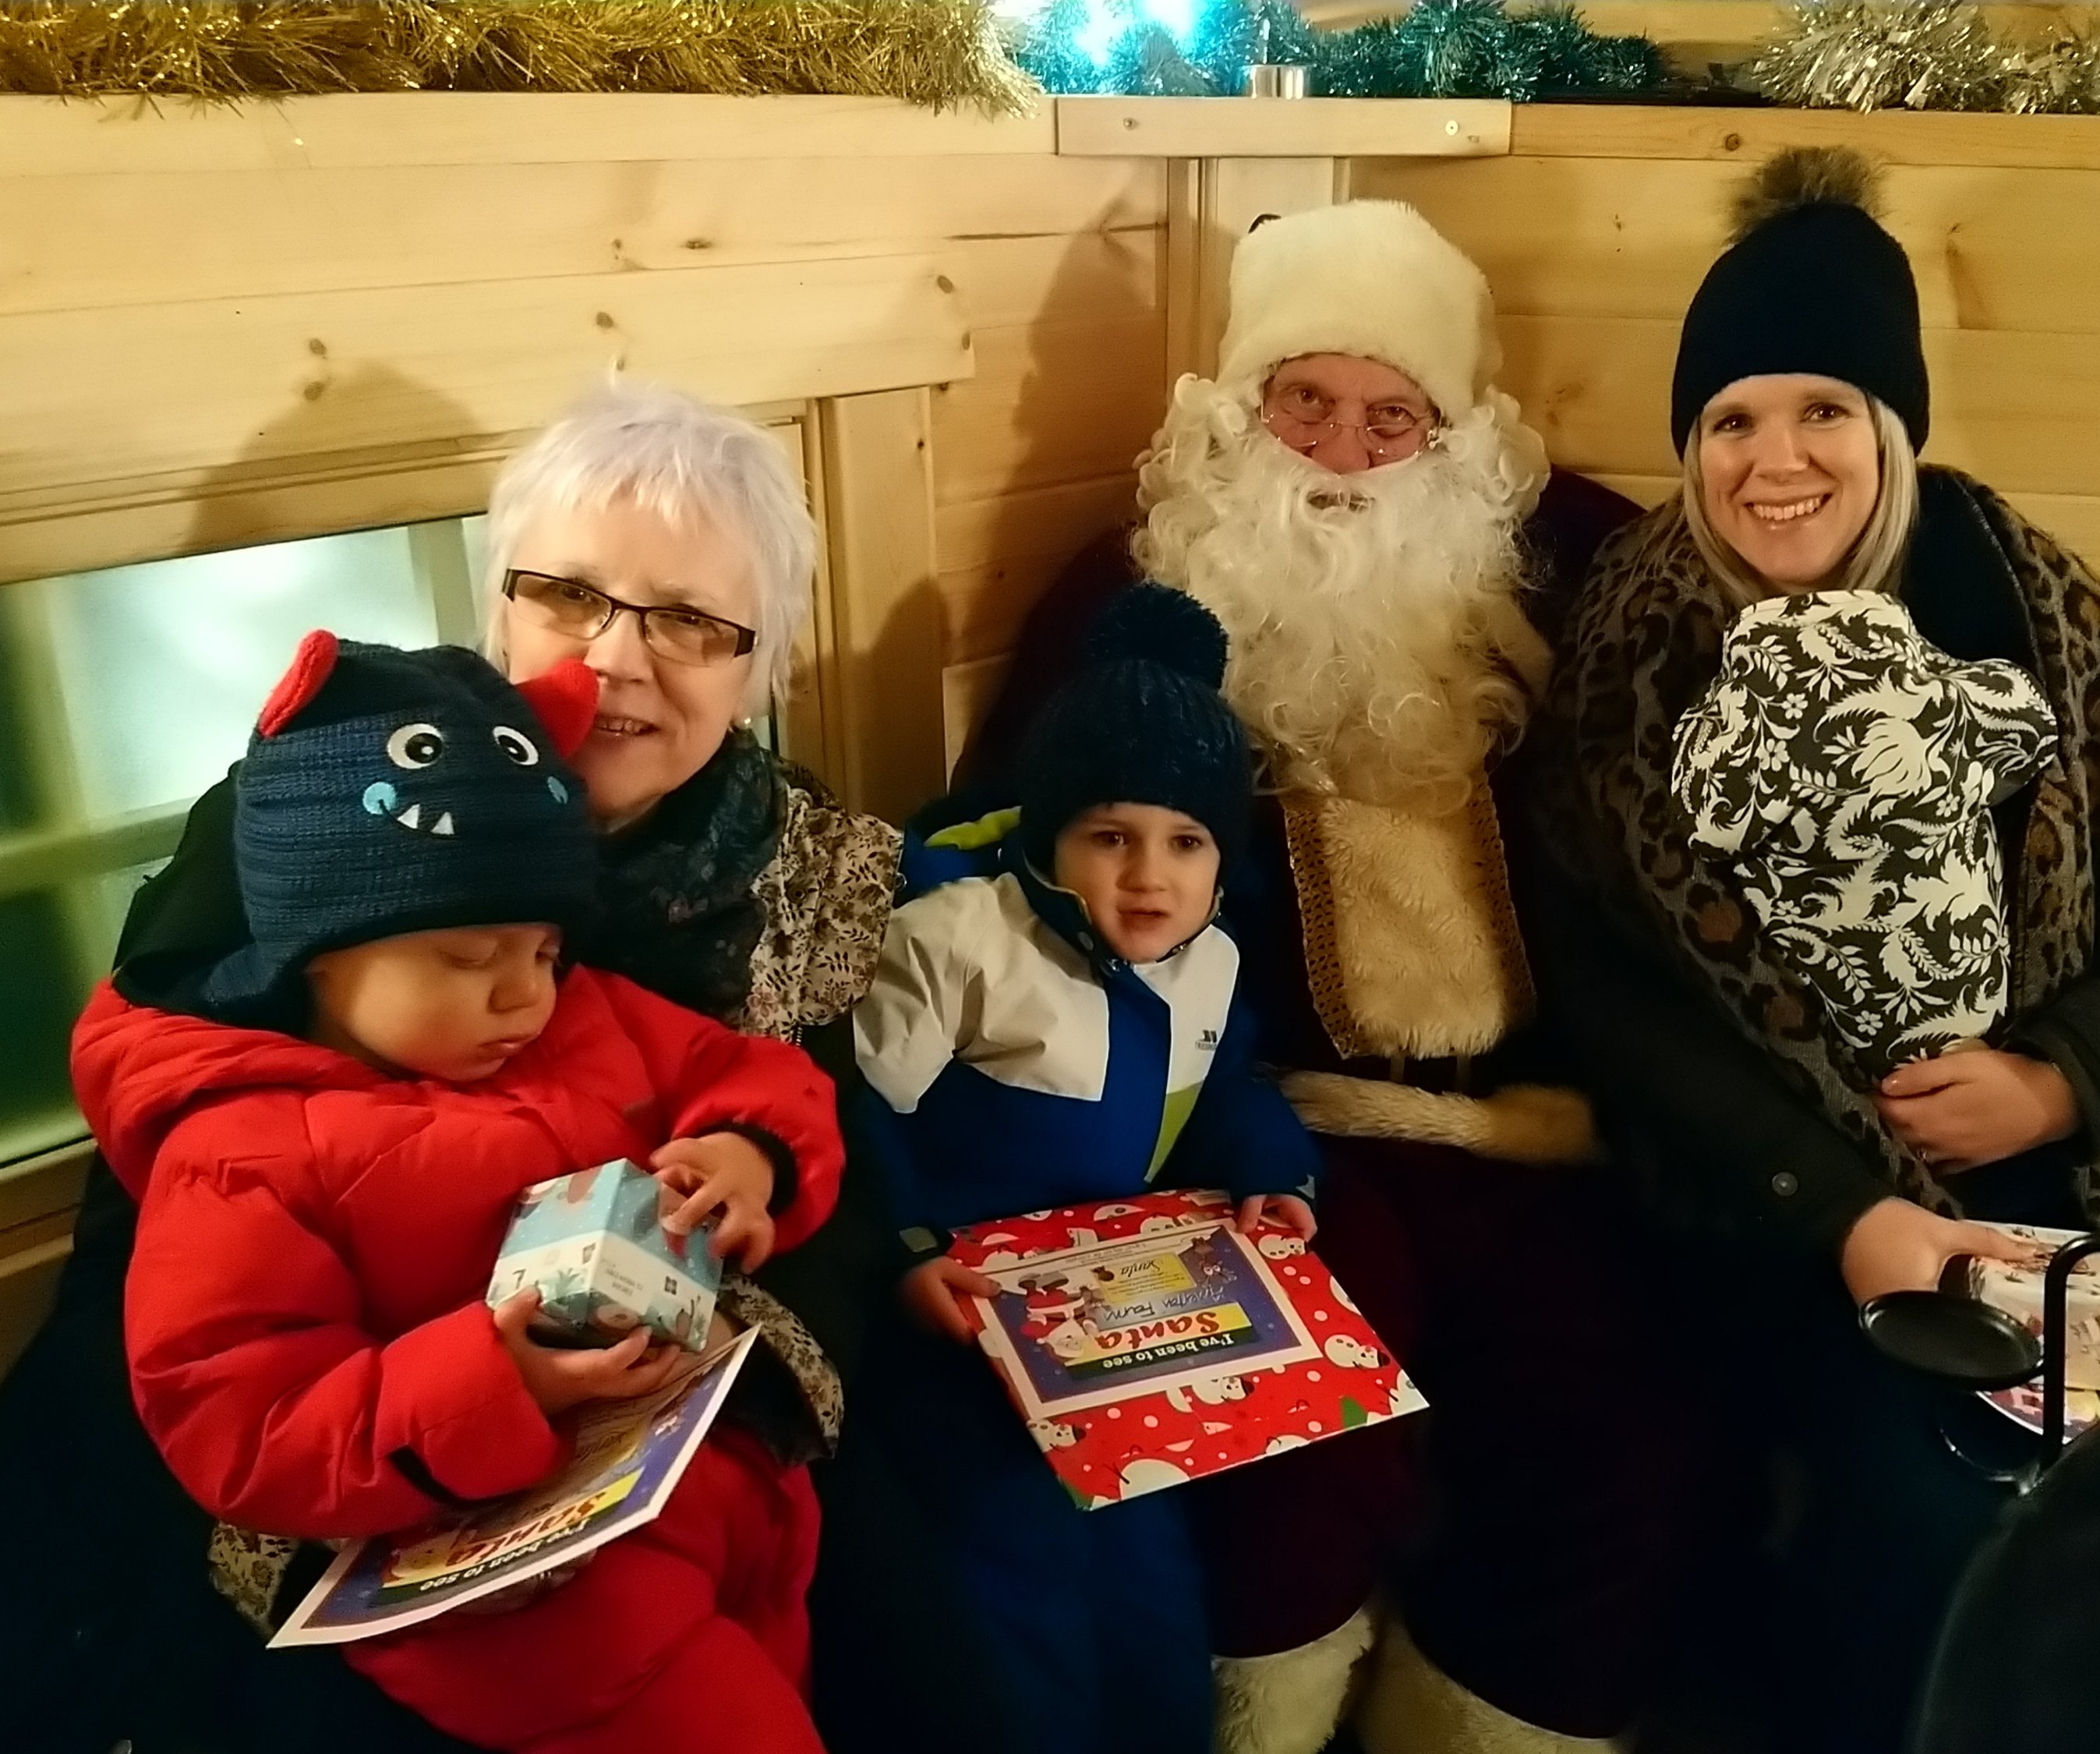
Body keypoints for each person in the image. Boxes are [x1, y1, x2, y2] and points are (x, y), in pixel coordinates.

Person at [1522, 145, 2100, 1752]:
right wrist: (1848, 1214)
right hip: (1795, 1199)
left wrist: (2064, 1076)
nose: (1776, 462)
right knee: (1934, 1519)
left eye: (1823, 409)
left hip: (2094, 1158)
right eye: (1731, 421)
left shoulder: (2036, 615)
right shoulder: (1631, 653)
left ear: (1890, 427)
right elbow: (1609, 995)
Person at [0, 381, 908, 1754]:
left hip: (673, 1409)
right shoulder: (320, 816)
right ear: (502, 608)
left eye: (690, 620)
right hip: (361, 1446)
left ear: (758, 662)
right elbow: (172, 1256)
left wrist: (738, 1332)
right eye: (571, 594)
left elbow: (802, 1115)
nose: (617, 658)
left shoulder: (800, 859)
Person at [960, 200, 1695, 1754]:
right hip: (1260, 1130)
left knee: (1619, 1429)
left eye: (1391, 414)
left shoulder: (1572, 570)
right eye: (1306, 401)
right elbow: (1000, 860)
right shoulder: (1121, 601)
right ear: (1240, 412)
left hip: (1535, 1129)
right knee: (1290, 1448)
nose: (1348, 452)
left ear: (1455, 437)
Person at [73, 635, 845, 1754]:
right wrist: (493, 1381)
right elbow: (243, 1422)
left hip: (713, 1484)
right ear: (323, 951)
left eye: (543, 950)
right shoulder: (240, 1152)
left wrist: (748, 1149)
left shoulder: (584, 1014)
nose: (523, 995)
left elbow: (753, 1070)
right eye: (472, 958)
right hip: (527, 1601)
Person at [848, 584, 1320, 1754]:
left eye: (1186, 842)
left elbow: (1227, 1089)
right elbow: (853, 1112)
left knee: (1149, 1570)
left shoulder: (1211, 958)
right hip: (963, 1319)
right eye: (1110, 836)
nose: (1149, 876)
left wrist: (1276, 1173)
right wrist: (904, 1252)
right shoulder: (959, 943)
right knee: (1013, 1570)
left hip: (1117, 1323)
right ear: (1048, 835)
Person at [1672, 585, 2059, 1083]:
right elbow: (2034, 729)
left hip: (1831, 1054)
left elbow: (1708, 824)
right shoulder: (1946, 691)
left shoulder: (1749, 708)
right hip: (1963, 1026)